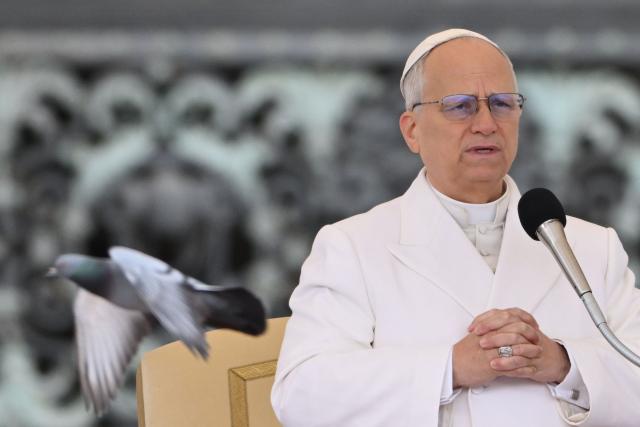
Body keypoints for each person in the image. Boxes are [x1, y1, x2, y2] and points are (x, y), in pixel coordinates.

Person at [271, 28, 640, 426]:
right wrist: (449, 368)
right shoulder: (352, 246)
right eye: (460, 106)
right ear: (412, 130)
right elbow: (303, 395)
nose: (486, 123)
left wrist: (563, 363)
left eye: (502, 104)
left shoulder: (592, 247)